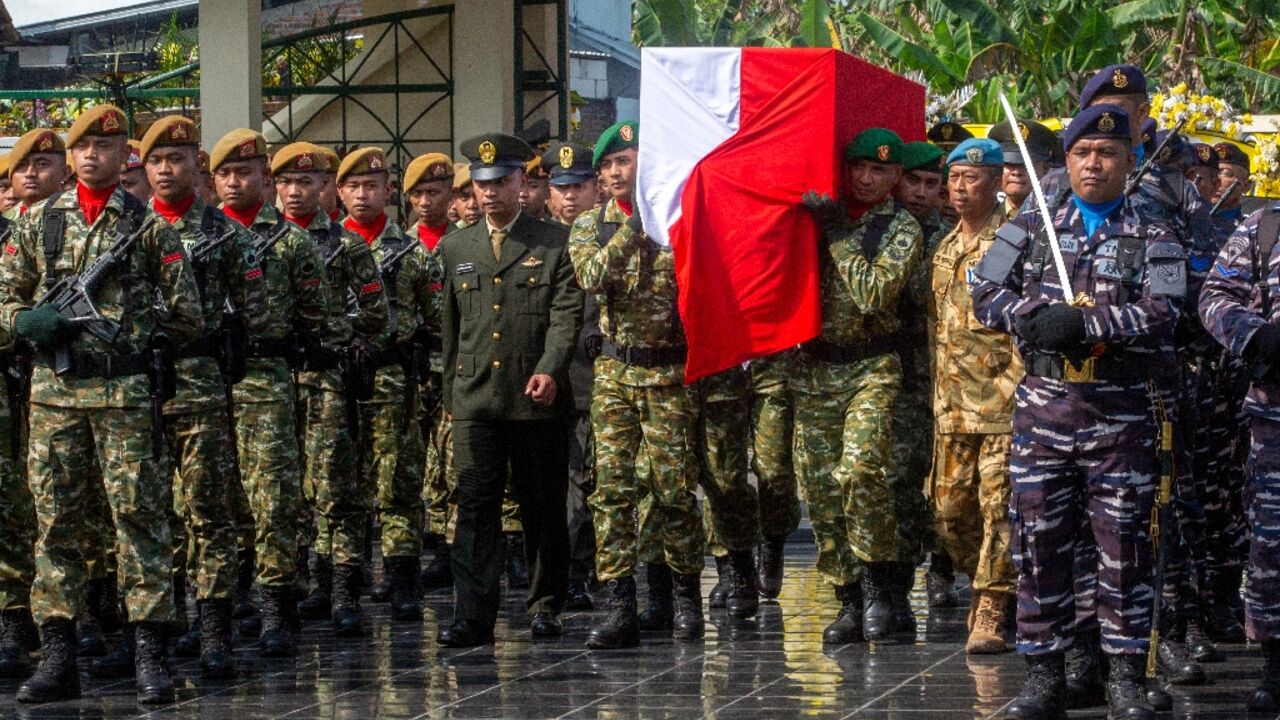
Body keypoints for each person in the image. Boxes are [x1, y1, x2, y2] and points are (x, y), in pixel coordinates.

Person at [970, 104, 1186, 720]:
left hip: (1120, 414)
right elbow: (984, 289)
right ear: (1067, 159)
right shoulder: (1036, 220)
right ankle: (1045, 675)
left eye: (1109, 153)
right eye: (1084, 152)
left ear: (1129, 160)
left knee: (1123, 547)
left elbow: (1166, 310)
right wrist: (1033, 319)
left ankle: (1122, 676)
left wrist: (1089, 323)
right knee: (1038, 544)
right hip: (1044, 410)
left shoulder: (1155, 228)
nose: (1095, 164)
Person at [1, 105, 204, 705]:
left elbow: (187, 313)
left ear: (124, 158)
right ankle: (58, 654)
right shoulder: (37, 223)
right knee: (55, 523)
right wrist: (27, 321)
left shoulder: (150, 228)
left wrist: (138, 327)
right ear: (71, 157)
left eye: (107, 147)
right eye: (83, 146)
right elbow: (4, 298)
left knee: (139, 519)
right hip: (55, 397)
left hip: (124, 394)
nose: (93, 155)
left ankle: (149, 653)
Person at [437, 132, 582, 647]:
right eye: (481, 184)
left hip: (534, 398)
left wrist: (550, 369)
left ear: (523, 181)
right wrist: (450, 397)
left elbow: (566, 317)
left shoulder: (553, 243)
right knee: (475, 509)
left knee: (542, 506)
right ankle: (472, 616)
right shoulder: (456, 247)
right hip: (476, 398)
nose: (491, 193)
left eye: (501, 182)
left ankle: (545, 605)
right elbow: (450, 331)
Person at [138, 115, 271, 673]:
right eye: (156, 161)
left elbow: (259, 312)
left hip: (200, 387)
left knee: (208, 510)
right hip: (135, 391)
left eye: (178, 159)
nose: (167, 170)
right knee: (147, 511)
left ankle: (213, 625)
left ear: (199, 166)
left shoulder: (226, 234)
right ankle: (158, 625)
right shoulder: (128, 232)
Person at [570, 121, 709, 647]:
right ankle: (619, 603)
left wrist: (663, 219)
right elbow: (591, 276)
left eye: (623, 161)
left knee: (673, 491)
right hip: (614, 375)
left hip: (671, 373)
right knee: (612, 491)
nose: (613, 172)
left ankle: (682, 597)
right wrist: (637, 227)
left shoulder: (681, 222)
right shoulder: (593, 226)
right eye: (607, 166)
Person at [795, 128, 921, 645]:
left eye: (880, 171)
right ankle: (847, 597)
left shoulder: (900, 227)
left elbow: (873, 293)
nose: (867, 178)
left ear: (896, 178)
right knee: (822, 490)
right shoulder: (820, 214)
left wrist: (836, 237)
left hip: (872, 367)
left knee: (862, 470)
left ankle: (878, 589)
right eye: (859, 168)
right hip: (815, 369)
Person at [211, 130, 333, 642]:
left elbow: (319, 317)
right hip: (207, 383)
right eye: (225, 174)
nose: (235, 183)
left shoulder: (292, 242)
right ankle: (223, 599)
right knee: (211, 498)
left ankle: (277, 603)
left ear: (265, 178)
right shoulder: (193, 238)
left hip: (267, 380)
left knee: (273, 496)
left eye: (245, 173)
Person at [274, 143, 388, 637]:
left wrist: (333, 329)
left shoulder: (348, 245)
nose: (298, 192)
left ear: (325, 188)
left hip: (326, 379)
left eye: (309, 183)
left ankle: (341, 589)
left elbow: (376, 313)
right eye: (289, 183)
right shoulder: (258, 242)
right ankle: (292, 581)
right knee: (280, 491)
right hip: (274, 381)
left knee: (335, 487)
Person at [928, 138, 1020, 654]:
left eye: (973, 179)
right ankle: (988, 576)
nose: (962, 189)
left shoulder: (1012, 242)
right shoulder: (945, 247)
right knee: (948, 512)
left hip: (1000, 404)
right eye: (956, 178)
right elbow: (934, 329)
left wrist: (1014, 390)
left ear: (995, 182)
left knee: (998, 507)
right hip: (952, 405)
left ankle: (992, 603)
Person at [338, 147, 435, 623]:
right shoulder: (325, 250)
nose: (363, 194)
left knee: (399, 482)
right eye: (353, 186)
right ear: (339, 192)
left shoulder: (412, 253)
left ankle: (401, 579)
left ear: (388, 192)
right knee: (341, 484)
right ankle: (344, 585)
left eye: (372, 186)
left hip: (395, 381)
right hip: (339, 383)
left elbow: (436, 322)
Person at [1198, 196, 1280, 711]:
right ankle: (1276, 660)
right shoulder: (1265, 225)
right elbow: (1216, 293)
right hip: (1276, 415)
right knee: (1272, 544)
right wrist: (1256, 336)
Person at [890, 140, 957, 616]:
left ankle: (941, 567)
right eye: (912, 180)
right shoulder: (878, 231)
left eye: (931, 184)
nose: (920, 192)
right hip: (891, 371)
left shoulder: (951, 239)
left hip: (938, 373)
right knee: (896, 477)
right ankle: (895, 576)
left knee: (941, 477)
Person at [541, 141, 599, 609]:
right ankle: (566, 570)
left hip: (596, 377)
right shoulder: (536, 242)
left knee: (591, 483)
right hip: (549, 381)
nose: (569, 197)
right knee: (559, 484)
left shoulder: (606, 236)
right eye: (561, 188)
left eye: (578, 186)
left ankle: (587, 569)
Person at [402, 153, 456, 591]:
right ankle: (429, 538)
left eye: (433, 193)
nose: (424, 201)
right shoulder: (400, 248)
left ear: (451, 196)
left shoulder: (466, 242)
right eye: (417, 194)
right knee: (414, 459)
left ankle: (450, 546)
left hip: (455, 366)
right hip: (415, 368)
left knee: (451, 459)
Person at [987, 119, 1057, 218]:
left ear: (1046, 168)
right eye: (1008, 163)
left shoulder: (1059, 219)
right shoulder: (982, 218)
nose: (1016, 172)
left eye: (1026, 165)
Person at [8, 129, 69, 217]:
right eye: (22, 165)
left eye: (42, 164)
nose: (30, 173)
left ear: (65, 173)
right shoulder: (5, 220)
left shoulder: (80, 216)